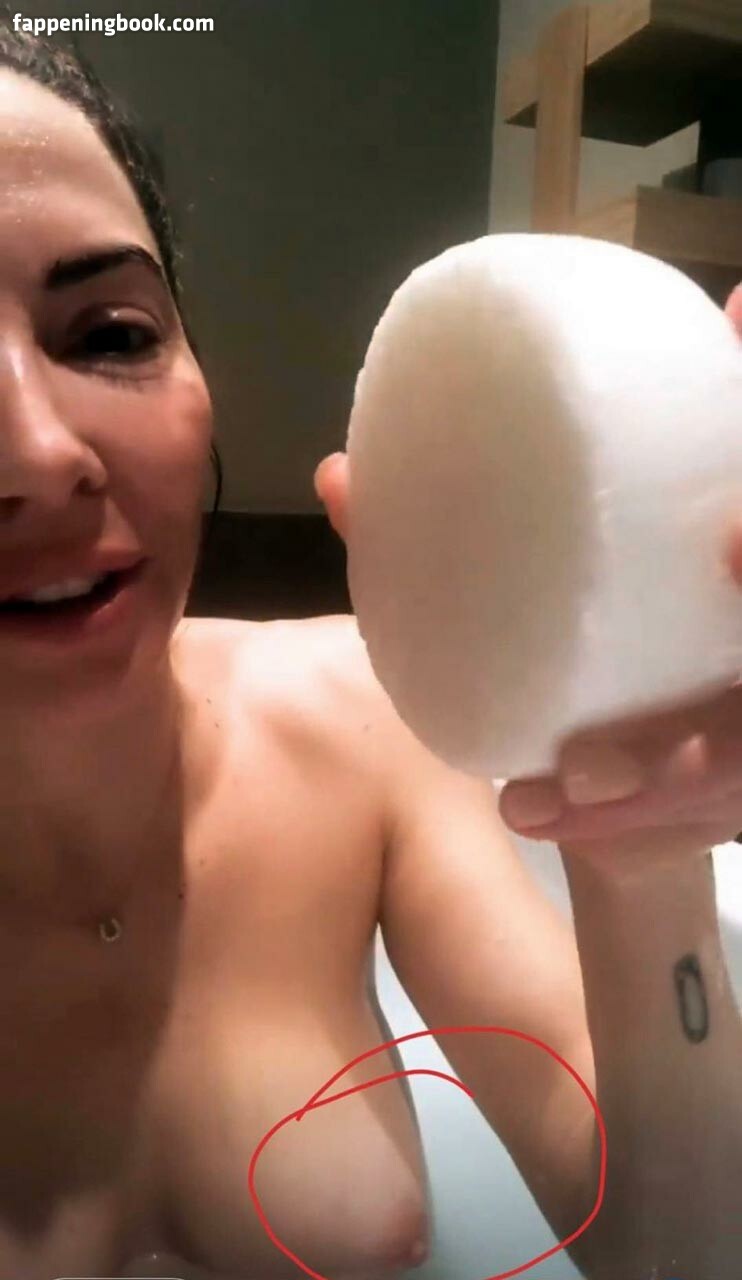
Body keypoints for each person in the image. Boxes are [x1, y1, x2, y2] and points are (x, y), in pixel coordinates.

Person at [0, 18, 739, 1280]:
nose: (36, 451)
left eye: (109, 334)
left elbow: (670, 1246)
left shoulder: (356, 720)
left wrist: (642, 854)